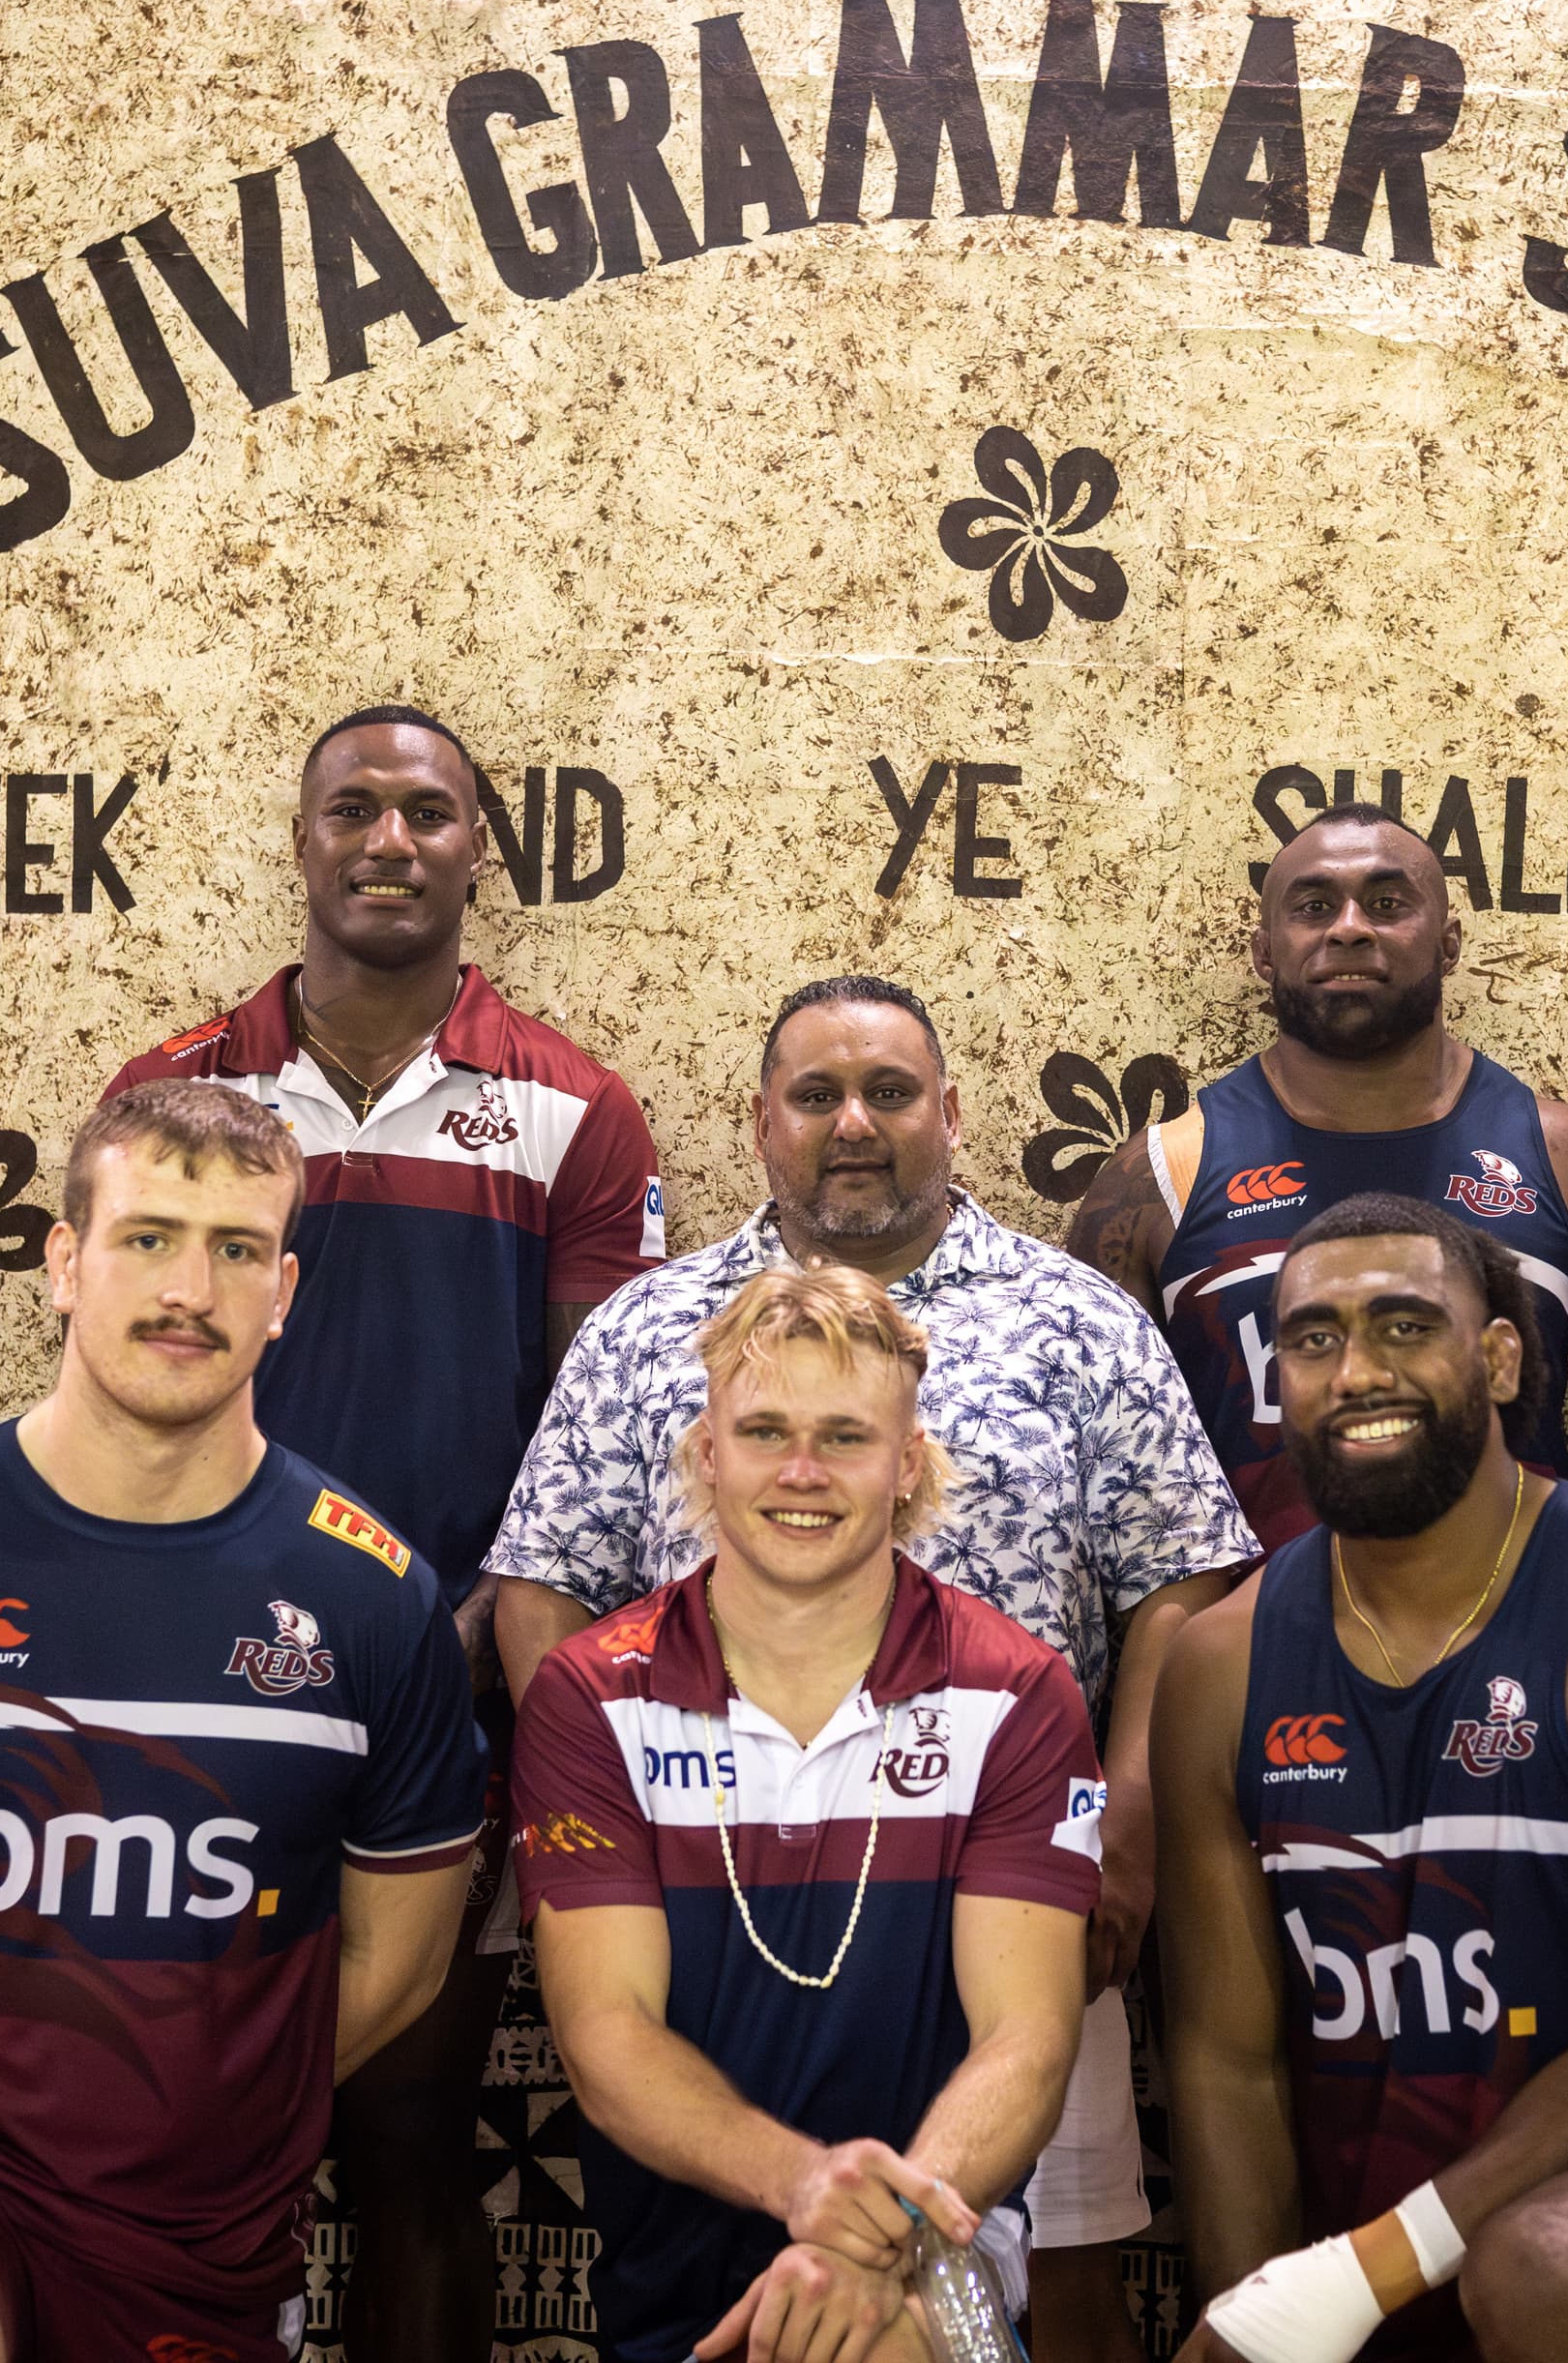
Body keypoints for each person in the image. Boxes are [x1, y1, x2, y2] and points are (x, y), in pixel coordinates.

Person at [488, 976, 1254, 2361]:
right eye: (817, 1094)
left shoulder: (1079, 1317)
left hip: (1016, 1863)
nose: (856, 1122)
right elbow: (543, 1578)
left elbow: (1184, 1579)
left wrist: (1122, 1821)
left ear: (952, 1116)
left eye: (891, 1092)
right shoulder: (647, 1328)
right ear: (762, 1123)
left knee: (1053, 2261)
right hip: (700, 1878)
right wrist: (584, 1785)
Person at [0, 1080, 488, 2363]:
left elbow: (393, 1962)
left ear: (283, 1292)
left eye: (235, 1249)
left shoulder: (372, 1599)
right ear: (65, 1265)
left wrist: (202, 2105)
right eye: (147, 1237)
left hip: (202, 2216)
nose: (190, 1291)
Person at [107, 702, 665, 2363]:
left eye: (428, 811)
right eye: (353, 808)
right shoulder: (177, 1091)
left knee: (414, 2146)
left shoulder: (574, 1109)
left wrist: (494, 1619)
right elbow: (126, 1384)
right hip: (200, 1689)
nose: (390, 840)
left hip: (451, 1699)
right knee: (185, 2141)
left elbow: (597, 1430)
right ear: (301, 842)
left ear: (478, 847)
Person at [1154, 1195, 1568, 2363]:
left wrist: (1365, 2270)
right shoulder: (1221, 1662)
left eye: (1406, 1326)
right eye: (1313, 1339)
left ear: (1503, 1355)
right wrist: (1260, 2313)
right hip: (1380, 2207)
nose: (1356, 1369)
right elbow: (1229, 2061)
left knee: (1563, 2269)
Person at [516, 1262, 1101, 2363]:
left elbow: (1028, 2039)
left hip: (938, 2267)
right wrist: (811, 2187)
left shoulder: (1015, 1691)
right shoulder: (594, 1694)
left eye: (844, 1436)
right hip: (682, 2293)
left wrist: (879, 2240)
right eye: (764, 1430)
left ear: (907, 1463)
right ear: (705, 1452)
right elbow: (606, 2038)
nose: (801, 1472)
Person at [1062, 803, 1568, 1546]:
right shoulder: (1157, 1175)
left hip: (1524, 1635)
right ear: (1263, 951)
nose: (1349, 927)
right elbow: (1083, 1455)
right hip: (1253, 1638)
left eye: (1387, 903)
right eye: (1314, 906)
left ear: (1448, 945)